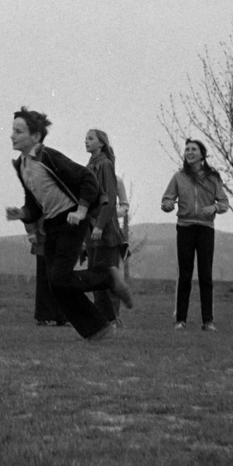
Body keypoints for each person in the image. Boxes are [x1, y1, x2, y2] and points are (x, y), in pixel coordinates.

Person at [6, 109, 132, 342]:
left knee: (60, 280)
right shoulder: (22, 166)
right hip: (52, 225)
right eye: (12, 130)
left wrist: (82, 210)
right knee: (56, 285)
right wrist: (22, 213)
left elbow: (86, 179)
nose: (12, 136)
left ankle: (108, 277)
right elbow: (34, 204)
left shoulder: (49, 157)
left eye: (18, 131)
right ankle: (98, 330)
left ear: (35, 137)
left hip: (71, 222)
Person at [161, 139, 229, 330]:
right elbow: (167, 199)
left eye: (193, 149)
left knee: (205, 275)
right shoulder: (179, 177)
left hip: (206, 229)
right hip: (185, 227)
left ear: (202, 154)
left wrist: (214, 207)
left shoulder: (213, 178)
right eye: (187, 149)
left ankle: (208, 321)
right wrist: (166, 205)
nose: (189, 152)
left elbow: (224, 203)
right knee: (185, 274)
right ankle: (181, 320)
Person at [84, 129, 129, 326]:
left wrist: (100, 226)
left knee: (106, 275)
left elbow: (109, 199)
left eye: (90, 138)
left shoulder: (105, 165)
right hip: (91, 231)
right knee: (95, 276)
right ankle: (102, 317)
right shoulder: (90, 165)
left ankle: (112, 318)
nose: (86, 141)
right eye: (86, 138)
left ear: (101, 143)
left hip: (106, 232)